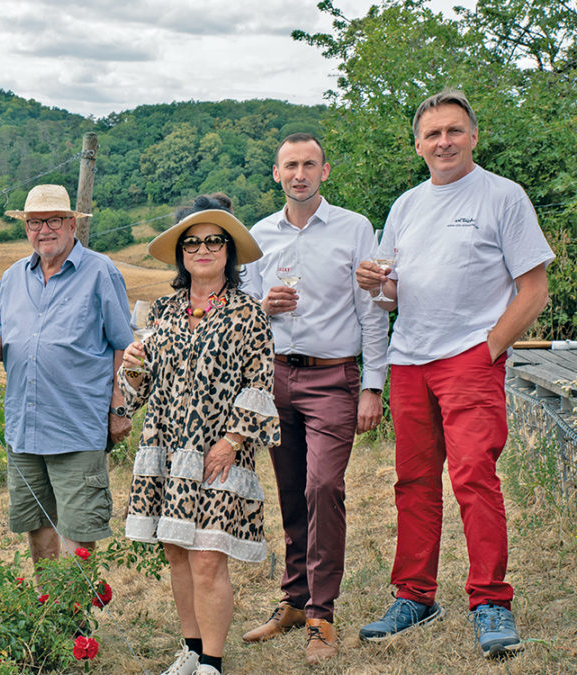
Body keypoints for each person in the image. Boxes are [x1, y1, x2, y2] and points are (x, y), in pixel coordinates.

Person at [355, 89, 553, 658]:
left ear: (472, 136)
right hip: (410, 359)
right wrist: (377, 284)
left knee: (474, 479)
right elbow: (394, 291)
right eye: (432, 134)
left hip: (469, 359)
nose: (443, 141)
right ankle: (415, 596)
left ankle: (491, 601)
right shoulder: (407, 205)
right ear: (418, 145)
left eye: (454, 131)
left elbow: (533, 290)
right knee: (413, 484)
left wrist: (488, 349)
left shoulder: (503, 196)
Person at [239, 133, 389, 663]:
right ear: (275, 174)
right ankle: (295, 600)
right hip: (277, 378)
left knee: (324, 487)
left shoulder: (353, 228)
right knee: (290, 491)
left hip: (333, 378)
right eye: (289, 166)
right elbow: (243, 310)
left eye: (309, 164)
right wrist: (264, 306)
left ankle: (322, 615)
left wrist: (373, 385)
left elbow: (372, 310)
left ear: (325, 171)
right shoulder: (259, 234)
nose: (299, 173)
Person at [120, 194, 279, 675]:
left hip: (220, 450)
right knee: (177, 553)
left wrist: (232, 442)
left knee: (209, 557)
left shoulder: (249, 313)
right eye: (192, 242)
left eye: (214, 241)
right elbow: (147, 387)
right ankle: (190, 649)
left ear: (228, 252)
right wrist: (131, 372)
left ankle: (212, 661)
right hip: (167, 447)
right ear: (180, 254)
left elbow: (260, 381)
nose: (203, 249)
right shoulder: (163, 311)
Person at [0, 184, 132, 564]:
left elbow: (124, 345)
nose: (44, 230)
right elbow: (1, 351)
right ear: (25, 227)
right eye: (34, 222)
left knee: (79, 533)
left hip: (76, 426)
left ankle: (72, 620)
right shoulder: (12, 278)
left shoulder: (100, 271)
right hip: (25, 430)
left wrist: (119, 407)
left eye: (53, 220)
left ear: (72, 223)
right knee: (38, 528)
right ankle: (49, 618)